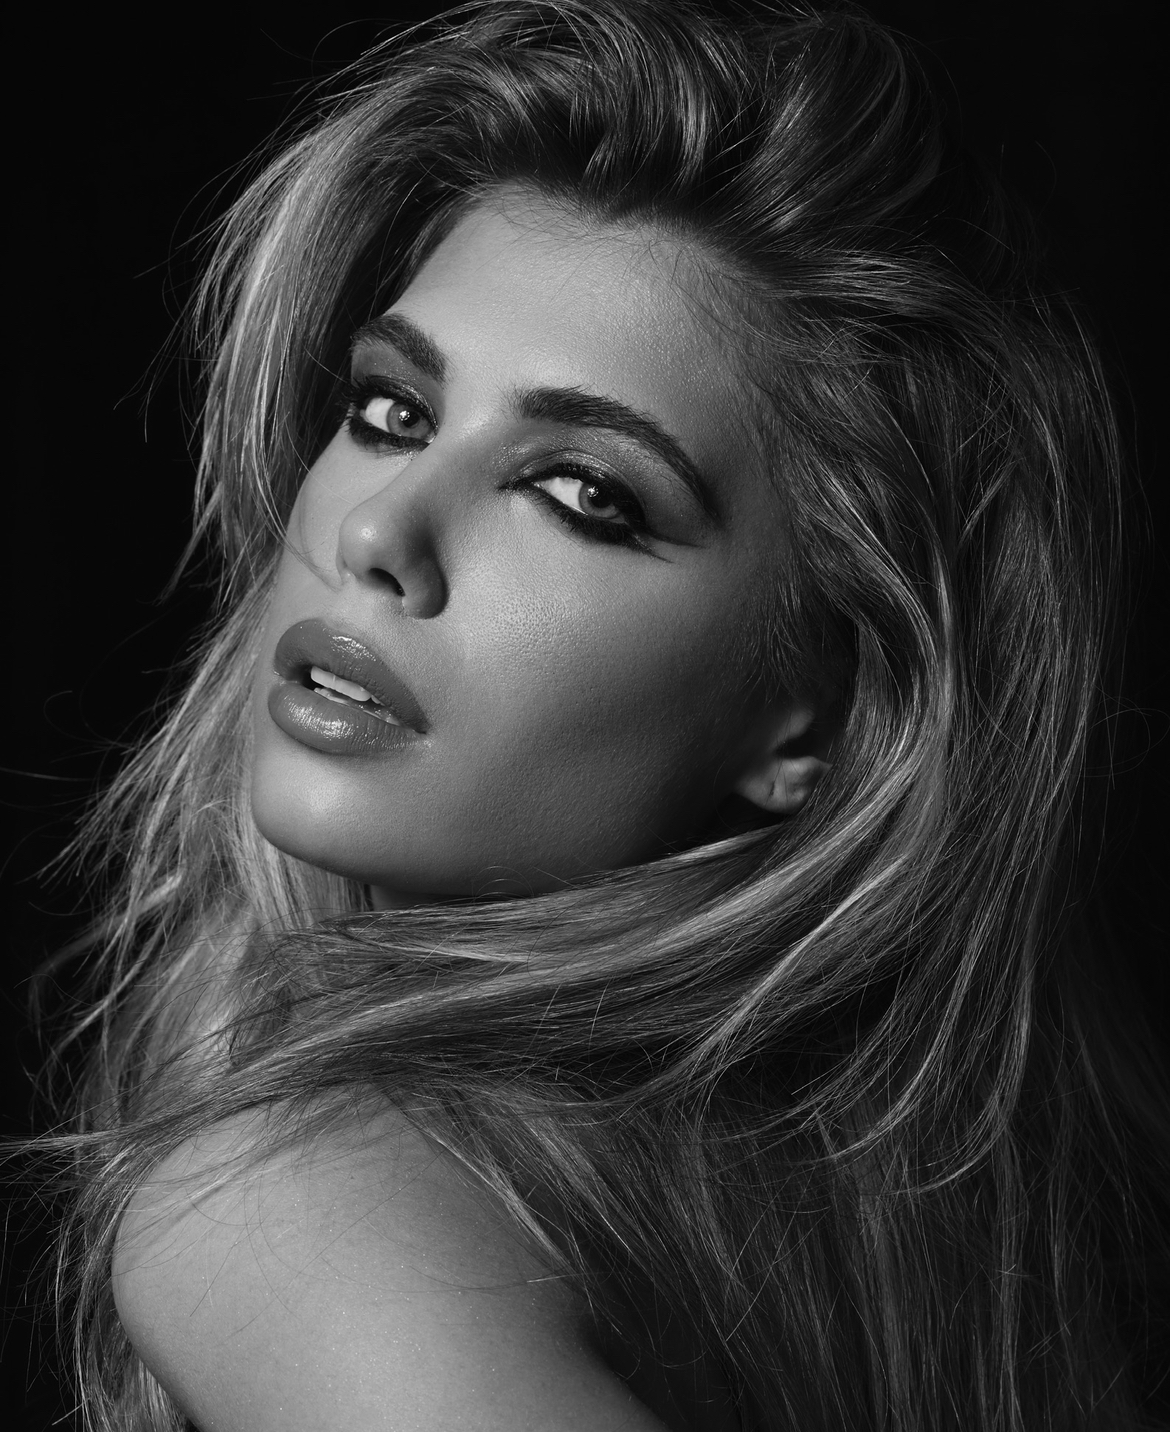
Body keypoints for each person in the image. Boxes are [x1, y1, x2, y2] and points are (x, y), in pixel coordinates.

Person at [31, 2, 1167, 1428]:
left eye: (583, 494)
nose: (379, 531)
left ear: (818, 720)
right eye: (390, 411)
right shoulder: (940, 1256)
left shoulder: (313, 1213)